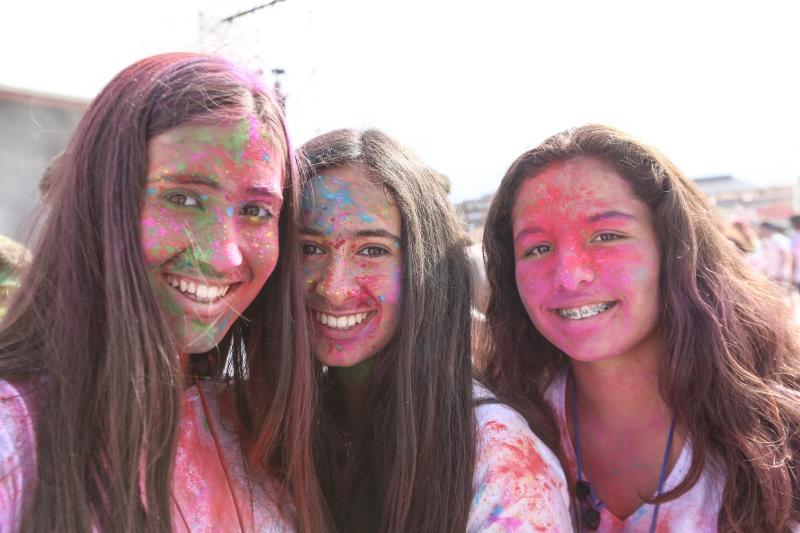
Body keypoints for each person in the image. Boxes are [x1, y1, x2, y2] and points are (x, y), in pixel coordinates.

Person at [0, 52, 324, 531]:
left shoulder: (256, 429)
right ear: (101, 197)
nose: (224, 256)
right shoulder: (14, 438)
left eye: (256, 211)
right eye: (184, 198)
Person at [479, 124, 800, 532]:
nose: (568, 276)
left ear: (674, 250)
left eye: (606, 236)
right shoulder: (494, 433)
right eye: (538, 248)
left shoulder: (781, 434)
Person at [299, 128, 571, 532]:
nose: (334, 288)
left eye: (373, 250)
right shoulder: (256, 424)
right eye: (310, 248)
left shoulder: (502, 461)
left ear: (426, 269)